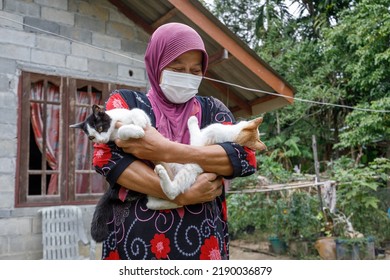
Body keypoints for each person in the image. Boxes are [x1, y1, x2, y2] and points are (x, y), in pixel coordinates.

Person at [93, 22, 257, 260]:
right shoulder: (126, 103)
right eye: (177, 68)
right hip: (134, 246)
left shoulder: (213, 110)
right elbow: (105, 157)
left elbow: (245, 157)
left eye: (195, 71)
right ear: (156, 64)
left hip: (204, 244)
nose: (187, 77)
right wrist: (181, 195)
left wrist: (166, 150)